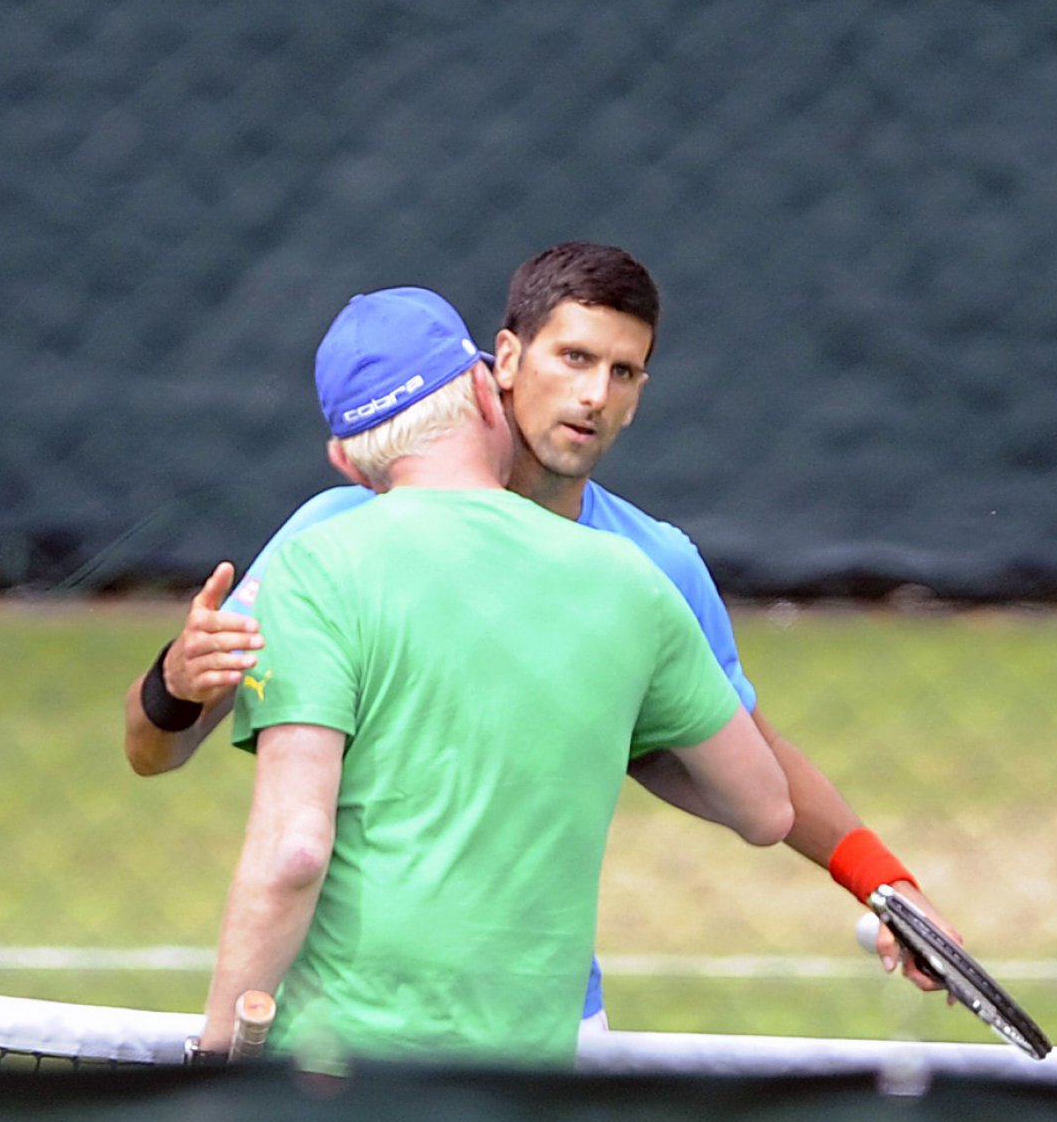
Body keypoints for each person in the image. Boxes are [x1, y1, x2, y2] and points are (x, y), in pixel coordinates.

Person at [128, 243, 960, 1018]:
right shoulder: (336, 537)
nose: (595, 394)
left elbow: (758, 768)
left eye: (624, 371)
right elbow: (152, 750)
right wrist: (174, 684)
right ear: (505, 363)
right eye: (575, 358)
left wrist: (885, 885)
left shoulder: (652, 564)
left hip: (554, 1023)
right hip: (353, 1012)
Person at [192, 287, 791, 1062]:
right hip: (535, 1074)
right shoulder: (633, 578)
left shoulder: (316, 565)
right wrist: (605, 733)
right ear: (487, 387)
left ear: (347, 457)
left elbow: (293, 850)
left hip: (337, 1069)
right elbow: (766, 808)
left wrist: (217, 1056)